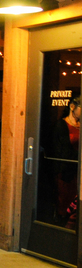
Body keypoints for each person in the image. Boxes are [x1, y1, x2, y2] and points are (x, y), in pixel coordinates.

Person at [52, 96, 80, 228]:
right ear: (72, 107)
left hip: (78, 171)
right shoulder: (61, 125)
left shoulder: (80, 125)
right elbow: (61, 151)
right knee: (66, 205)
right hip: (66, 172)